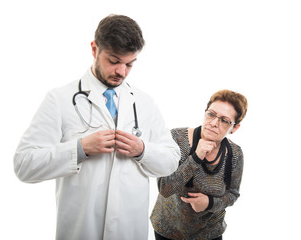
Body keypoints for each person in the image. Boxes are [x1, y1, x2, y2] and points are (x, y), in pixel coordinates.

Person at [13, 14, 180, 240]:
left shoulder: (144, 103)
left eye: (129, 64)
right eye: (114, 61)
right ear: (94, 49)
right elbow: (24, 165)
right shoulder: (59, 99)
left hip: (128, 231)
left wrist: (142, 150)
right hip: (81, 230)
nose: (121, 71)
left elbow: (171, 160)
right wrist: (80, 149)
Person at [150, 89, 247, 240]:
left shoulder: (235, 154)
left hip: (210, 233)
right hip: (168, 230)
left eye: (224, 120)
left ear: (234, 127)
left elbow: (233, 194)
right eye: (211, 114)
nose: (214, 123)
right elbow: (165, 189)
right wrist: (196, 157)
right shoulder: (176, 138)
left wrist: (209, 203)